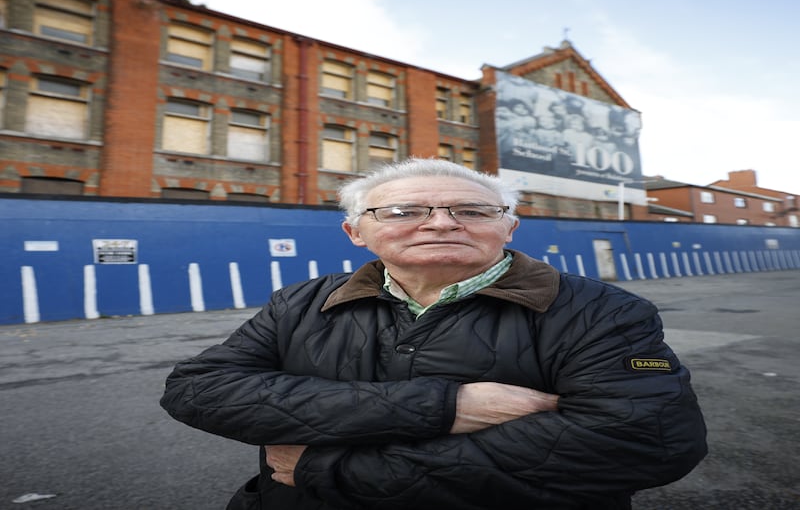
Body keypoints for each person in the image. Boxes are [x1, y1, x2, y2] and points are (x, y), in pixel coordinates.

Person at [160, 158, 707, 509]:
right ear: (356, 231)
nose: (443, 223)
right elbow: (197, 389)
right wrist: (444, 406)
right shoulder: (302, 301)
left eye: (472, 210)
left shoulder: (602, 311)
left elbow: (643, 442)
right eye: (404, 210)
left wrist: (333, 469)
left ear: (507, 227)